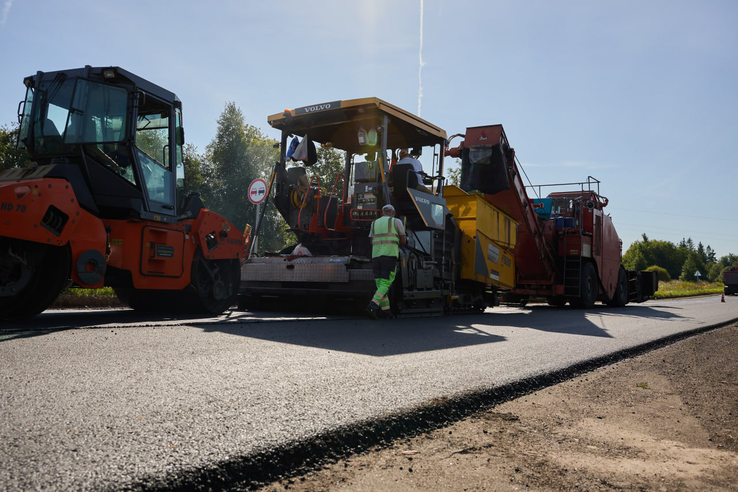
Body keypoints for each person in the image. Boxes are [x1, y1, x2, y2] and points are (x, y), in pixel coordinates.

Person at [366, 204, 406, 319]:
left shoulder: (374, 223)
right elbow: (402, 238)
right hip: (389, 256)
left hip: (376, 256)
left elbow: (371, 241)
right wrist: (397, 246)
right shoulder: (396, 221)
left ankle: (386, 311)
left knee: (380, 284)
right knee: (386, 283)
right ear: (393, 213)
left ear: (382, 213)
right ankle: (372, 304)